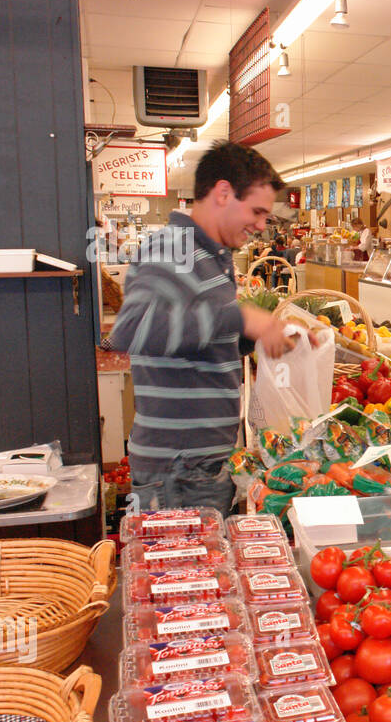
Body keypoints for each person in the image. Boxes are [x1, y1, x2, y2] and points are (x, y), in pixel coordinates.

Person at [109, 142, 299, 513]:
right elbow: (132, 329)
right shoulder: (172, 249)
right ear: (223, 193)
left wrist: (254, 337)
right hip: (178, 471)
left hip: (199, 466)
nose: (261, 225)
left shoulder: (210, 256)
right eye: (257, 211)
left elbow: (195, 338)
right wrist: (241, 317)